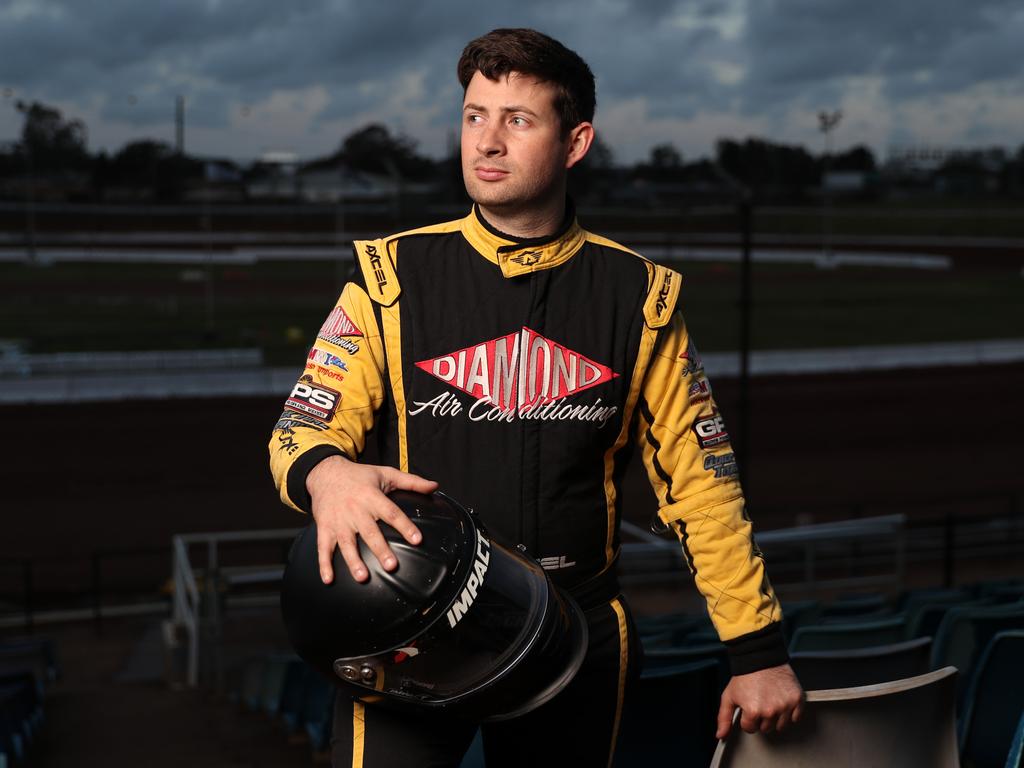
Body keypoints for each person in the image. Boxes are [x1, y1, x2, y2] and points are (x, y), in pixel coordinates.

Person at [269, 27, 803, 767]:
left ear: (575, 142)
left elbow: (704, 488)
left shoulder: (640, 299)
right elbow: (299, 430)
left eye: (517, 120)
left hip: (573, 636)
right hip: (407, 631)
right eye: (474, 116)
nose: (487, 141)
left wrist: (757, 651)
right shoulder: (390, 278)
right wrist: (327, 474)